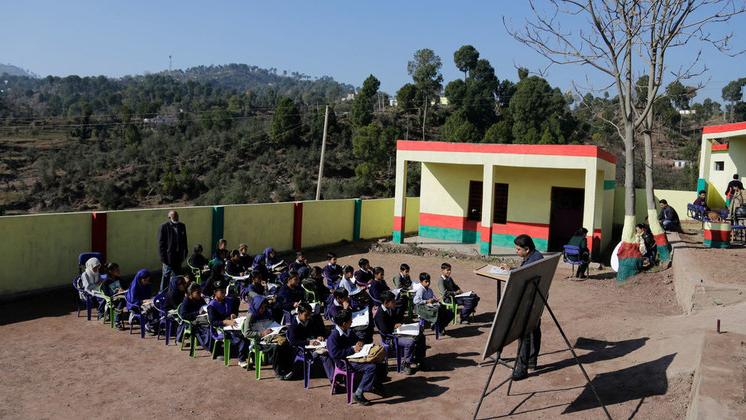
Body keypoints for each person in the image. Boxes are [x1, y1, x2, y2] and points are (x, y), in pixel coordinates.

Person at [505, 234, 544, 381]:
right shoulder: (535, 256)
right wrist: (512, 269)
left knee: (524, 334)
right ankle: (532, 361)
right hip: (537, 300)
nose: (516, 251)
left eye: (518, 249)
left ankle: (522, 368)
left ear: (527, 249)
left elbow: (524, 279)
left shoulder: (532, 261)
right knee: (534, 329)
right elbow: (524, 272)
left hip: (529, 301)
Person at [327, 309, 382, 406]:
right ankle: (359, 393)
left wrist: (360, 342)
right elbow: (334, 354)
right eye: (350, 321)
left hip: (355, 358)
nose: (352, 322)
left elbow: (357, 340)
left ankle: (373, 385)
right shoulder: (334, 336)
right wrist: (352, 350)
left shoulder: (348, 331)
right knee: (371, 367)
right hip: (345, 363)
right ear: (344, 323)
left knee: (378, 360)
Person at [374, 291, 426, 375]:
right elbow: (384, 331)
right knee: (410, 342)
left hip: (398, 332)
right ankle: (406, 364)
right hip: (390, 338)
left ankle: (419, 359)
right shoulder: (380, 314)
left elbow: (396, 319)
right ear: (386, 302)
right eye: (393, 301)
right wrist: (394, 327)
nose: (395, 302)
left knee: (421, 336)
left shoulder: (390, 309)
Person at [241, 295, 293, 378]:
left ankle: (287, 368)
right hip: (259, 341)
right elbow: (246, 333)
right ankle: (279, 373)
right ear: (256, 306)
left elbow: (271, 323)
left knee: (287, 343)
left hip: (271, 336)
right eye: (261, 308)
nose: (263, 309)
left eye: (264, 307)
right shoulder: (250, 316)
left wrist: (279, 328)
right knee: (277, 346)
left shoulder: (266, 313)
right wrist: (262, 334)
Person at [286, 302, 332, 379]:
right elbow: (293, 342)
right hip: (303, 350)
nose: (308, 317)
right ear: (299, 313)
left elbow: (316, 332)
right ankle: (333, 378)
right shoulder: (293, 325)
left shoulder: (310, 321)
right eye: (306, 315)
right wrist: (308, 342)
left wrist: (319, 336)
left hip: (314, 346)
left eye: (309, 315)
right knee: (324, 355)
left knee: (332, 350)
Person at [207, 286, 249, 368]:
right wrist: (225, 322)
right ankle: (242, 360)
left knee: (247, 332)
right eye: (221, 292)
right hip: (220, 328)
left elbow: (233, 311)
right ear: (215, 292)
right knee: (241, 338)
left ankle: (247, 355)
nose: (224, 294)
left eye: (224, 291)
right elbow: (213, 322)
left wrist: (233, 314)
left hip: (232, 325)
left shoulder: (227, 300)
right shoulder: (212, 306)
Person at [157, 210, 188, 291]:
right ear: (169, 217)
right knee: (166, 276)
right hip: (168, 258)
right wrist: (163, 259)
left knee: (177, 276)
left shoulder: (182, 226)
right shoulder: (164, 227)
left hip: (178, 257)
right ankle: (162, 292)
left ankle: (175, 292)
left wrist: (185, 253)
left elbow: (184, 240)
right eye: (174, 216)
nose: (176, 218)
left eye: (177, 216)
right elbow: (161, 244)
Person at [125, 269, 159, 333]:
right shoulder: (134, 287)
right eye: (145, 280)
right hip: (135, 305)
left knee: (156, 306)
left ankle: (154, 325)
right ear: (140, 279)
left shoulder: (147, 285)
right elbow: (133, 300)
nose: (146, 282)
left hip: (145, 302)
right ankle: (148, 325)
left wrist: (151, 299)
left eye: (148, 280)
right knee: (149, 309)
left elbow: (149, 296)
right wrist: (143, 301)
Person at [101, 262, 127, 328]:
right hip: (112, 300)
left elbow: (125, 287)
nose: (119, 271)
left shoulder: (119, 279)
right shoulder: (106, 281)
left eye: (118, 269)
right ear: (110, 271)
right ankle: (117, 320)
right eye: (117, 270)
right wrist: (116, 292)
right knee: (122, 301)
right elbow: (106, 294)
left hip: (121, 296)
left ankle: (135, 316)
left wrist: (123, 290)